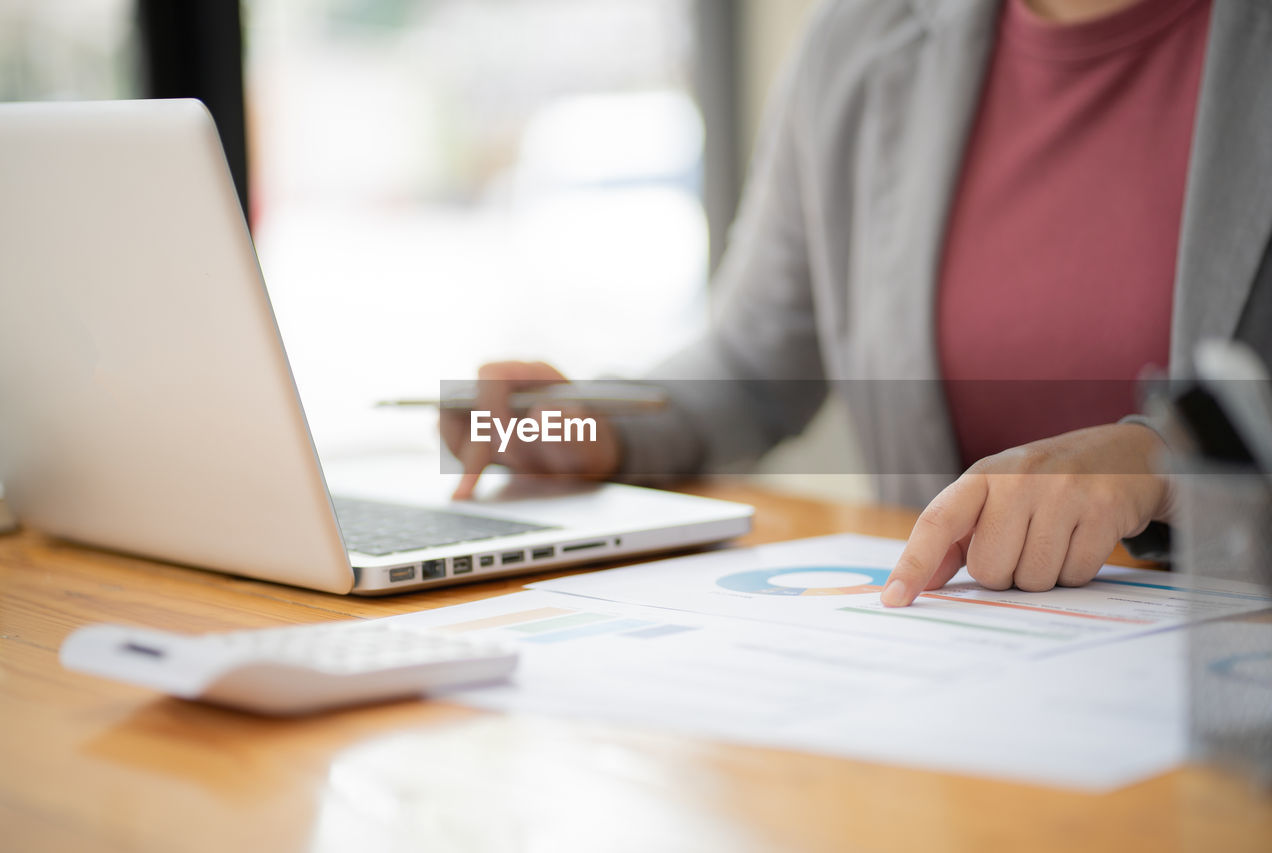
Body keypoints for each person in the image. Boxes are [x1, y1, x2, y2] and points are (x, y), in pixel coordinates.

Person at [442, 0, 1272, 607]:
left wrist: (1158, 462)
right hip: (958, 656)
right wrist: (592, 424)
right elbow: (752, 362)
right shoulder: (861, 41)